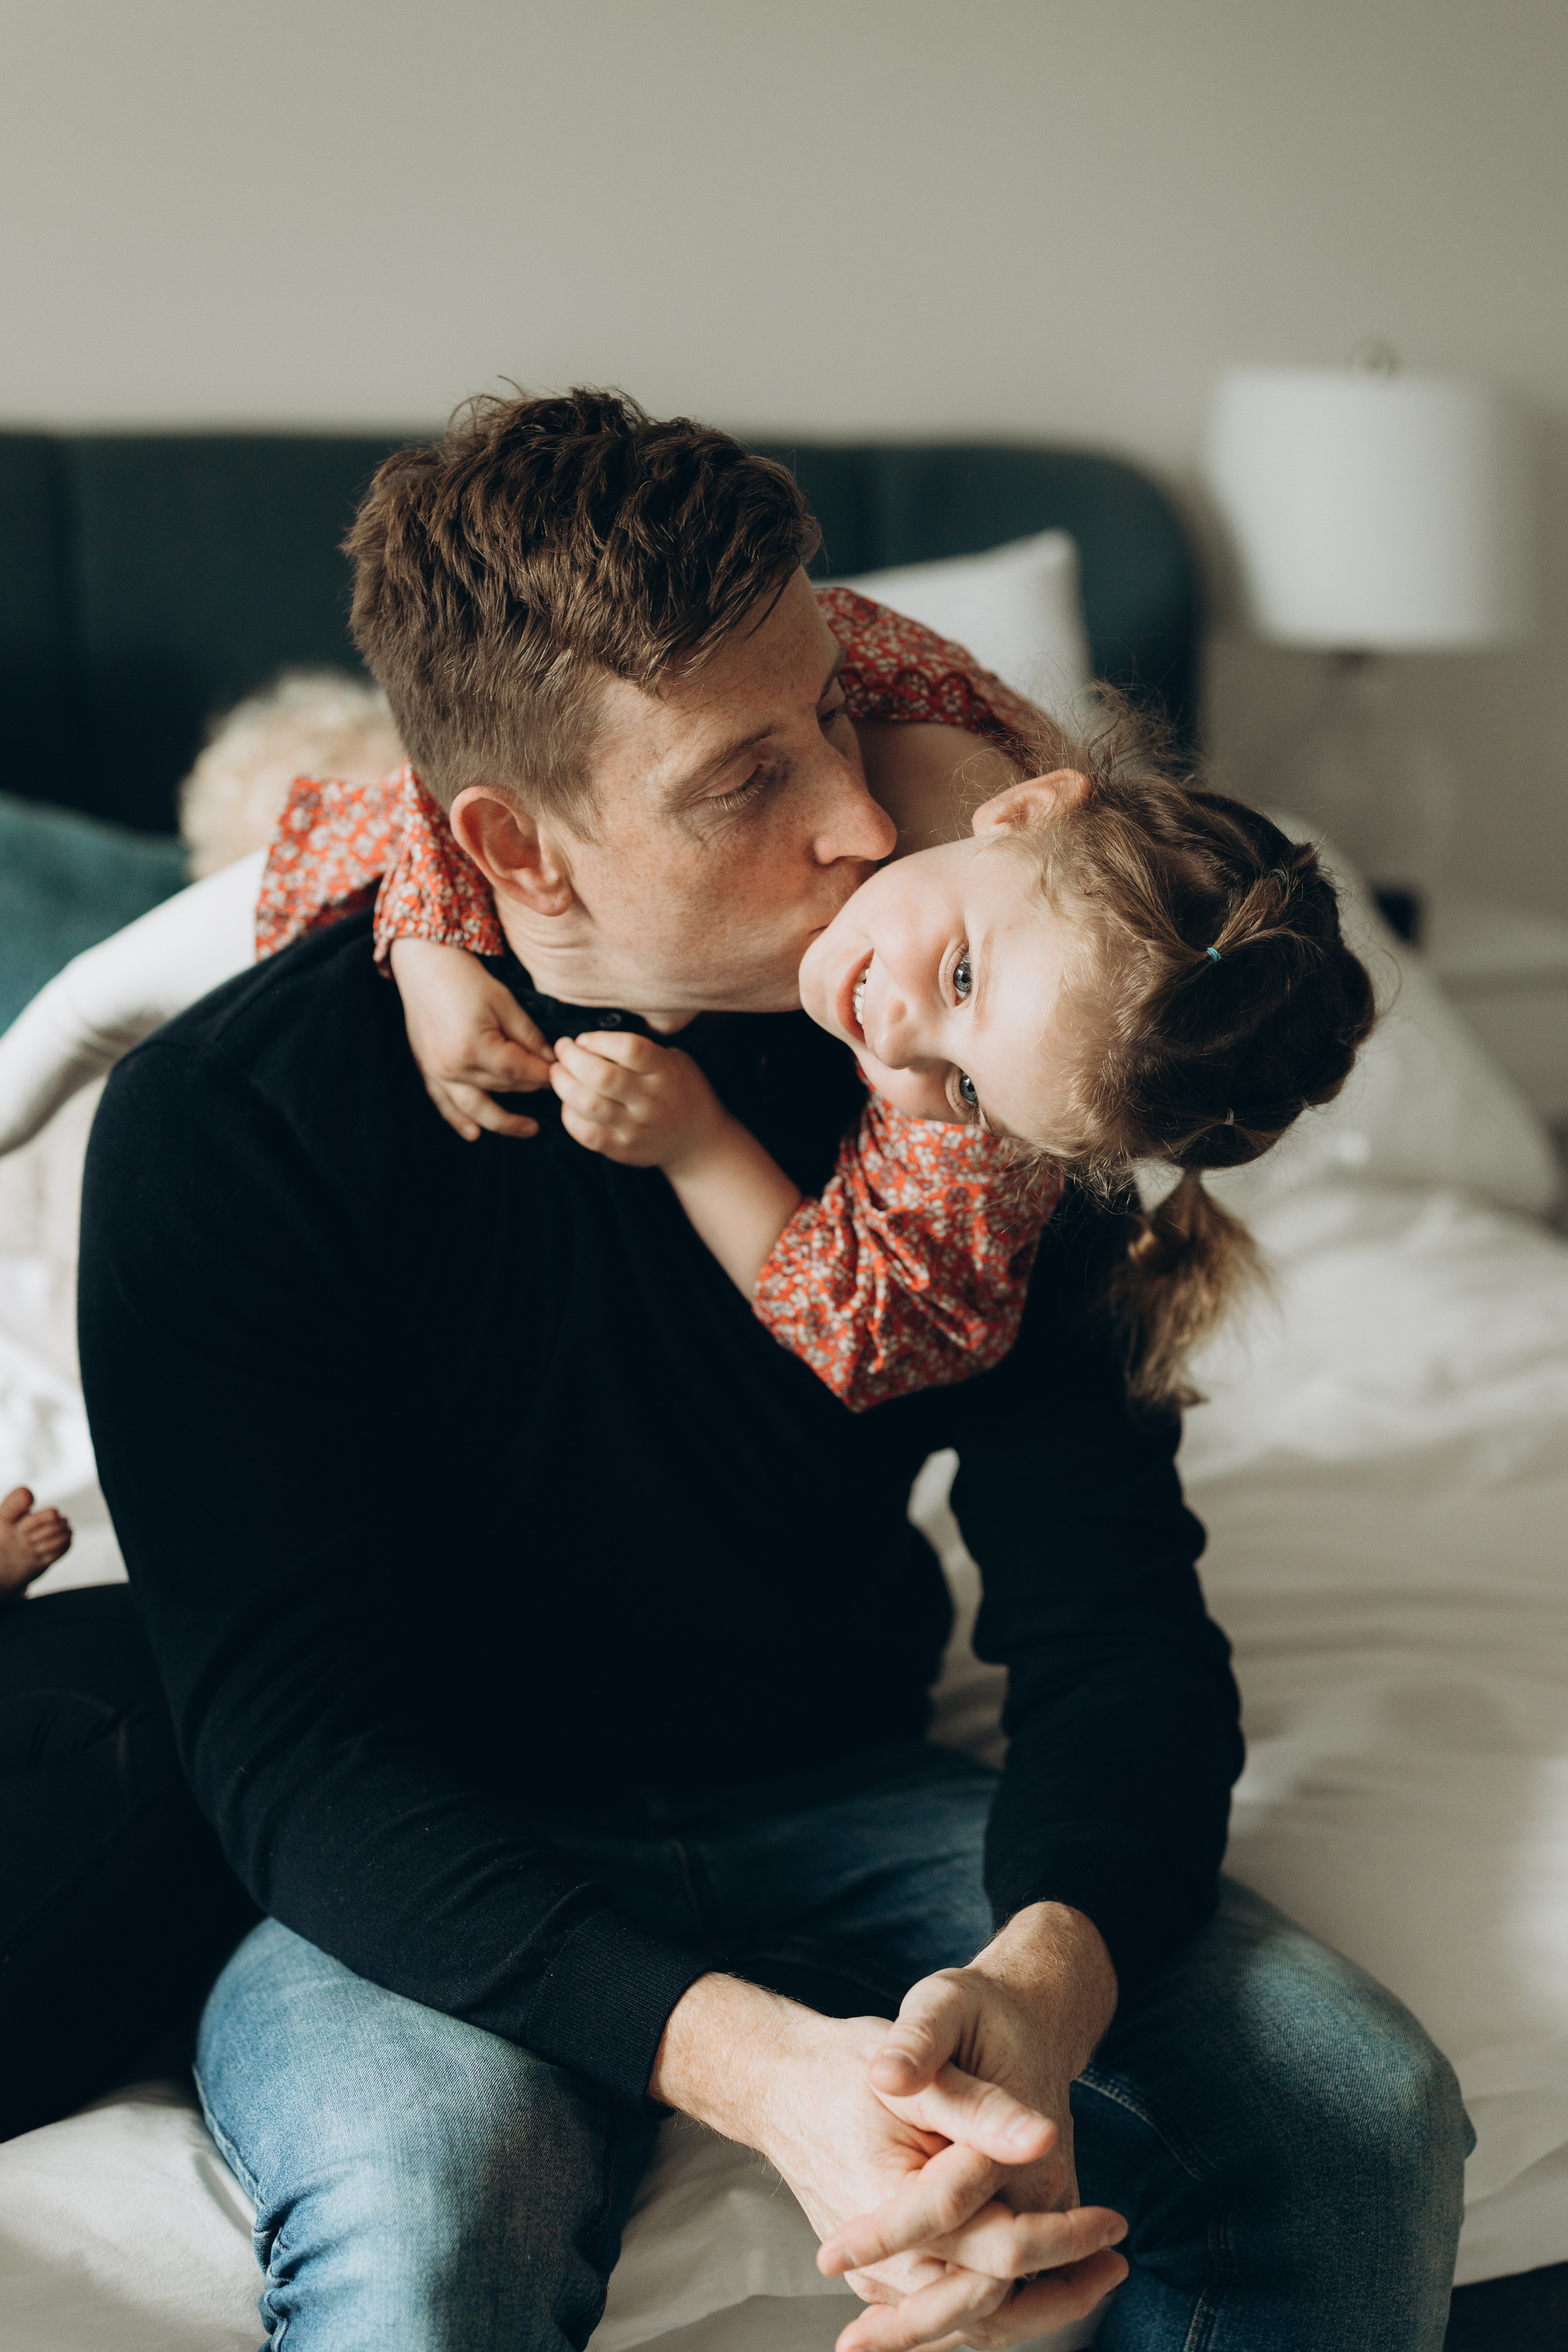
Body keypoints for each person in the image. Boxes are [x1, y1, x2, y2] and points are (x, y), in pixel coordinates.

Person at [77, 389, 1468, 2352]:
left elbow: (1115, 1620)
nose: (857, 820)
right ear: (508, 845)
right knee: (439, 2197)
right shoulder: (226, 1124)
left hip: (841, 1778)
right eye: (745, 781)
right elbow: (292, 1761)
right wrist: (758, 2072)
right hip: (430, 1845)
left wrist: (1042, 1983)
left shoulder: (984, 1033)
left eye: (833, 715)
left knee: (1351, 2115)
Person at [352, 733, 1370, 1414]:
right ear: (1022, 810)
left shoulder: (988, 1134)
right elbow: (505, 720)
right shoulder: (869, 692)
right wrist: (428, 942)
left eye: (964, 1088)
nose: (892, 1042)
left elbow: (864, 1323)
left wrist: (698, 1143)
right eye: (961, 976)